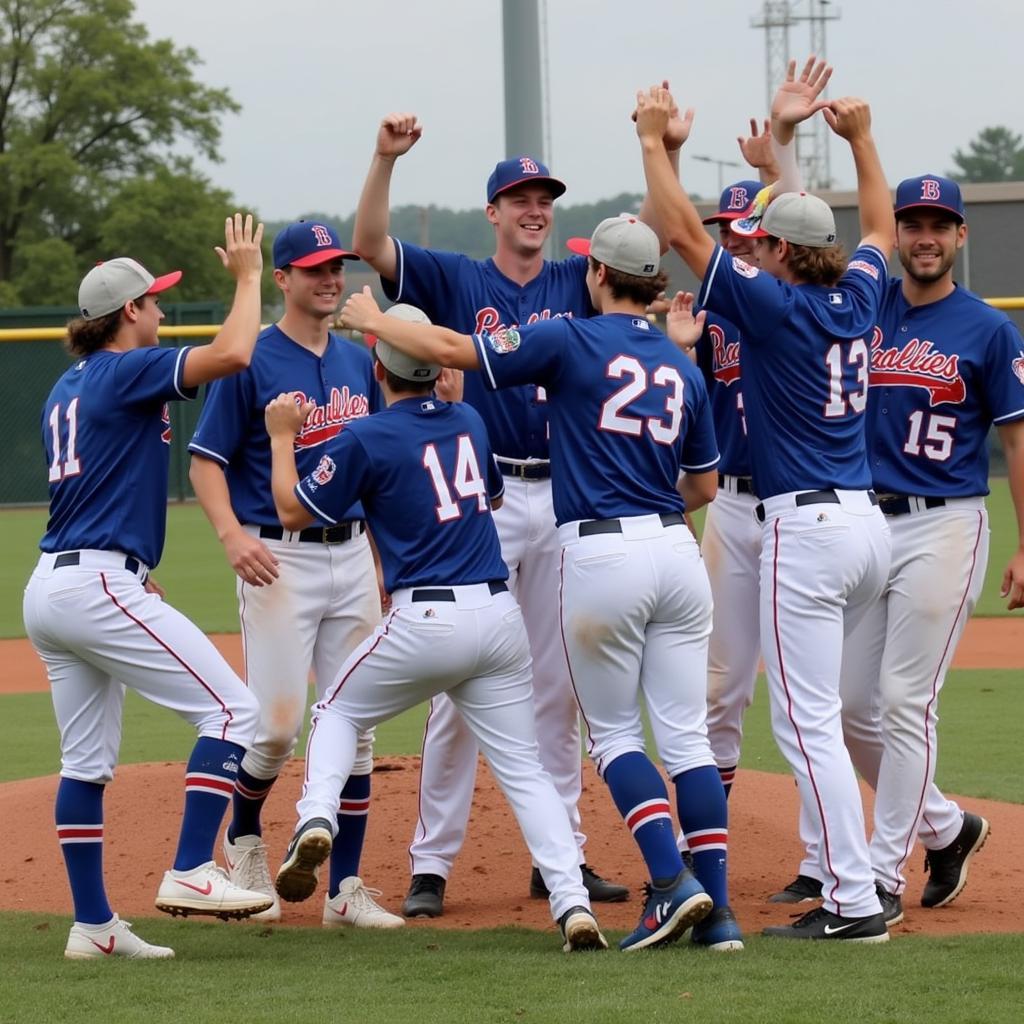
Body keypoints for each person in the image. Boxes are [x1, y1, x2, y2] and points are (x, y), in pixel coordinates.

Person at [339, 214, 743, 953]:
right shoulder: (684, 368)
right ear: (654, 280)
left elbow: (457, 349)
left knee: (614, 733)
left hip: (600, 552)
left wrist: (372, 318)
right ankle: (718, 914)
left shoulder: (569, 336)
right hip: (677, 552)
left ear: (597, 276)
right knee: (685, 740)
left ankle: (668, 883)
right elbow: (705, 484)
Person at [636, 62, 896, 942]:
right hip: (866, 522)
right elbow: (881, 226)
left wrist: (650, 142)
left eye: (767, 241)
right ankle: (844, 880)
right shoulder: (859, 296)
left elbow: (677, 228)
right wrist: (860, 141)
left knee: (803, 719)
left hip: (807, 525)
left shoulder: (778, 311)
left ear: (780, 253)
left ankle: (852, 900)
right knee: (815, 711)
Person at [267, 303, 607, 953]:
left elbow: (290, 508)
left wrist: (284, 437)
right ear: (435, 371)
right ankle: (573, 905)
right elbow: (494, 500)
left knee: (336, 711)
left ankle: (314, 817)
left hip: (425, 617)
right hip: (499, 618)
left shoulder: (366, 435)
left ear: (377, 368)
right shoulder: (470, 420)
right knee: (528, 771)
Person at [23, 215, 275, 961]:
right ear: (127, 312)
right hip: (96, 582)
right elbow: (234, 351)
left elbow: (96, 486)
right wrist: (249, 275)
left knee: (85, 765)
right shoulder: (123, 367)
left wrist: (131, 560)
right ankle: (196, 868)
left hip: (55, 585)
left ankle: (94, 927)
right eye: (156, 302)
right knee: (234, 709)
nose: (162, 312)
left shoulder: (63, 388)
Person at [773, 174, 1024, 922]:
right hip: (866, 525)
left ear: (959, 237)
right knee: (851, 707)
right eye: (911, 223)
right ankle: (947, 828)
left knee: (905, 702)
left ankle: (880, 876)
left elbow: (1017, 441)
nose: (923, 235)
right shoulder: (864, 308)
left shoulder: (987, 328)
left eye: (938, 224)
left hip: (946, 521)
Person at [187, 220, 401, 928]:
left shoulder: (353, 361)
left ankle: (345, 892)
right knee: (275, 729)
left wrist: (381, 559)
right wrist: (228, 536)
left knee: (358, 726)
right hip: (277, 555)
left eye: (335, 265)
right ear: (281, 279)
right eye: (313, 268)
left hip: (354, 553)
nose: (330, 278)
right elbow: (206, 462)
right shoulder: (252, 358)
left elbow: (372, 472)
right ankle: (243, 839)